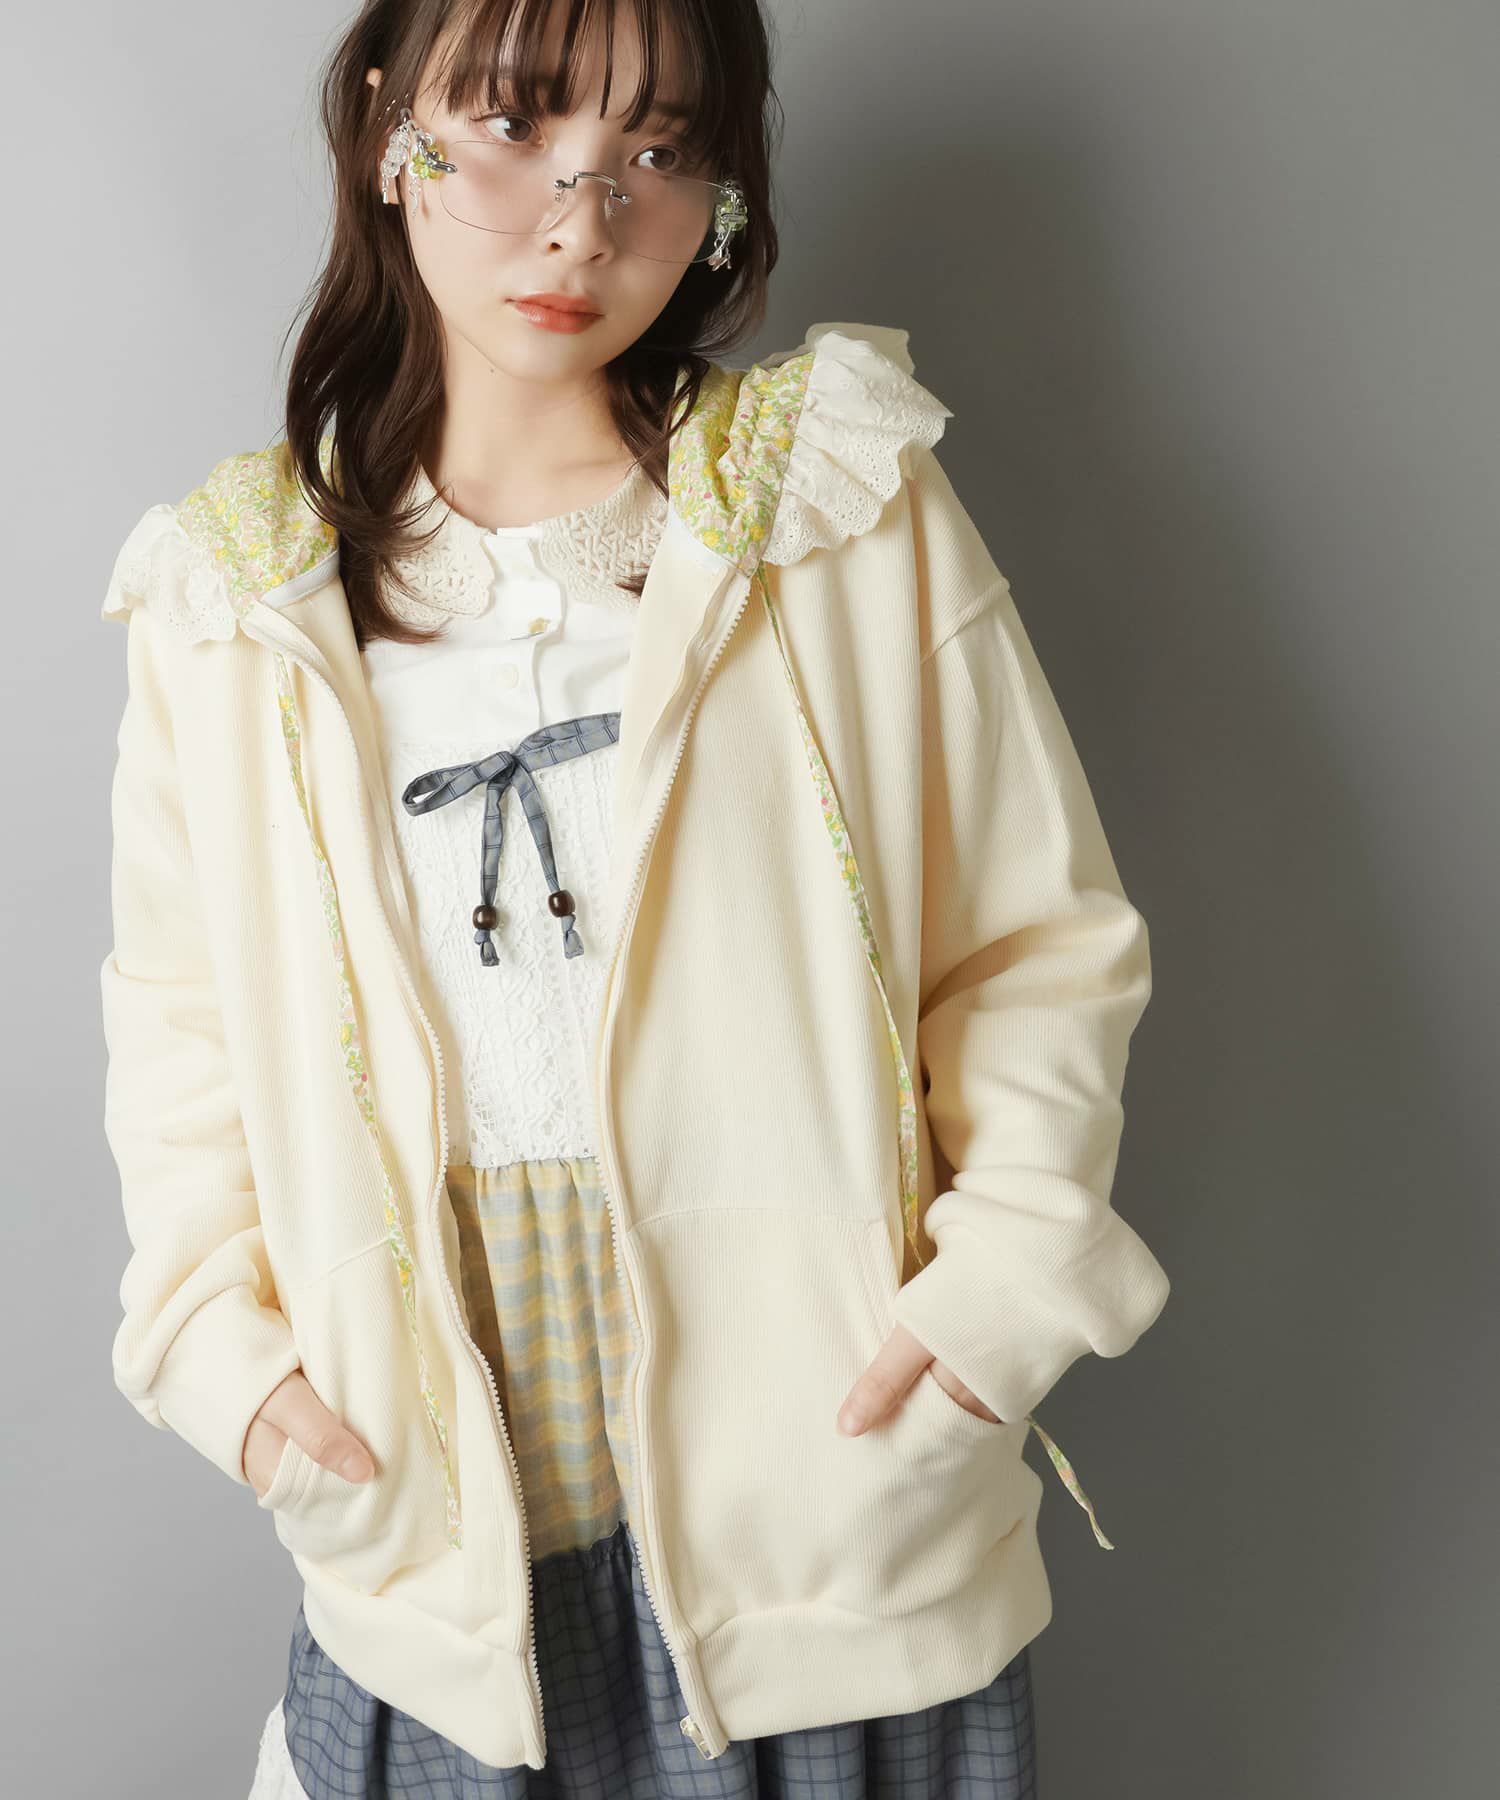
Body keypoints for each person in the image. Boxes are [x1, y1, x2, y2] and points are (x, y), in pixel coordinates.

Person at [97, 1, 1171, 1794]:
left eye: (655, 154)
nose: (581, 224)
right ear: (389, 128)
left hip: (837, 1517)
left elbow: (1037, 945)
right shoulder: (236, 597)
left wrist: (993, 1314)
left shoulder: (833, 508)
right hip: (431, 1544)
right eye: (515, 128)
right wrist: (229, 1367)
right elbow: (181, 1035)